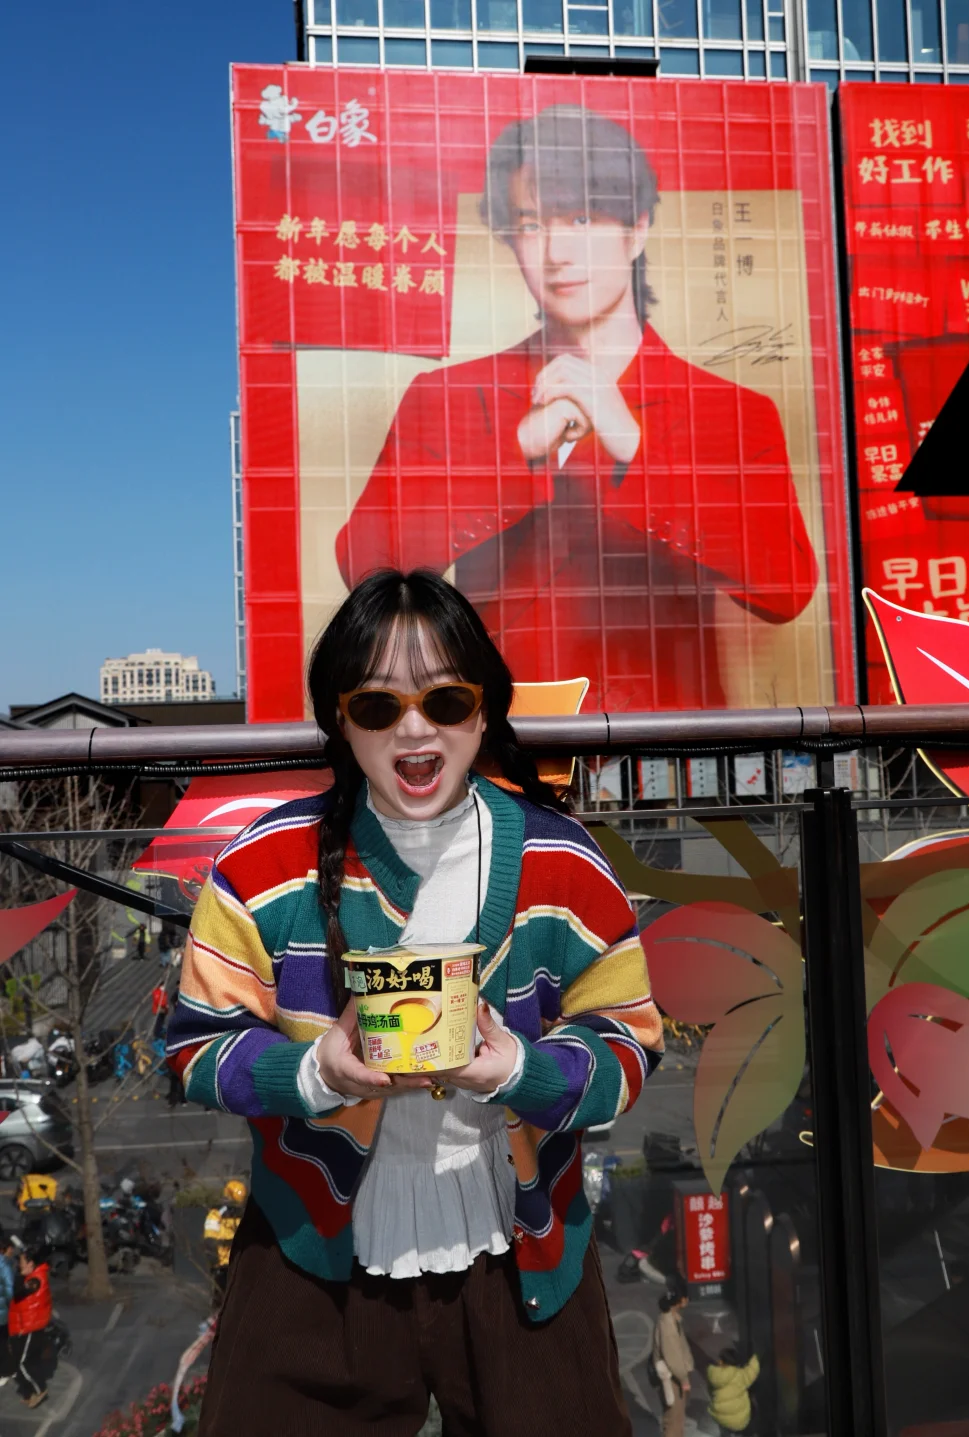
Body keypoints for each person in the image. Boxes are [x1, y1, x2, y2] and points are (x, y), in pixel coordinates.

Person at [166, 568, 664, 1436]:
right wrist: (316, 1072)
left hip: (521, 1249)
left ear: (483, 710)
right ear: (338, 718)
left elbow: (629, 1040)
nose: (414, 729)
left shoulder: (564, 860)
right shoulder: (262, 862)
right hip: (311, 1256)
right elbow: (195, 1045)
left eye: (445, 700)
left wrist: (521, 1070)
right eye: (376, 706)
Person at [336, 106, 817, 714]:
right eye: (530, 224)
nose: (556, 252)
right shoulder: (446, 395)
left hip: (669, 740)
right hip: (500, 739)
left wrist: (634, 446)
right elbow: (366, 566)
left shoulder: (734, 411)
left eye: (582, 218)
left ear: (637, 228)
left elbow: (785, 589)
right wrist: (516, 451)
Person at [8, 1245, 52, 1408]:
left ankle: (40, 1390)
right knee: (21, 1361)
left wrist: (20, 1276)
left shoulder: (35, 1280)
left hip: (31, 1327)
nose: (19, 1265)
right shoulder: (31, 1277)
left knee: (23, 1363)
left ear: (31, 1264)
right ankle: (30, 1392)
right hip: (22, 1326)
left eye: (22, 1262)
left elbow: (18, 1293)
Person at [652, 1285, 695, 1437]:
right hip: (673, 1379)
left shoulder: (669, 1318)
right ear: (680, 1301)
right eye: (686, 1298)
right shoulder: (668, 1325)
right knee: (674, 1421)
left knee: (676, 1419)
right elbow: (673, 1357)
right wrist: (684, 1379)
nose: (687, 1300)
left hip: (673, 1376)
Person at [203, 1180, 247, 1305]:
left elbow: (209, 1240)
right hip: (227, 1265)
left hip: (230, 1265)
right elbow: (210, 1241)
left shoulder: (215, 1215)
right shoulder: (216, 1215)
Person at [706, 1345, 760, 1433]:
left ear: (721, 1362)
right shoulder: (739, 1375)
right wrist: (755, 1357)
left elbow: (710, 1391)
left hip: (720, 1418)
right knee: (753, 1404)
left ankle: (726, 1430)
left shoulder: (713, 1376)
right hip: (741, 1422)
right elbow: (753, 1370)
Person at [0, 1232, 16, 1385]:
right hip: (3, 1311)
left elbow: (9, 1289)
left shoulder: (5, 1265)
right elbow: (9, 1289)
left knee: (3, 1342)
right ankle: (7, 1370)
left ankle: (7, 1370)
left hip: (3, 1312)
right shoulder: (4, 1265)